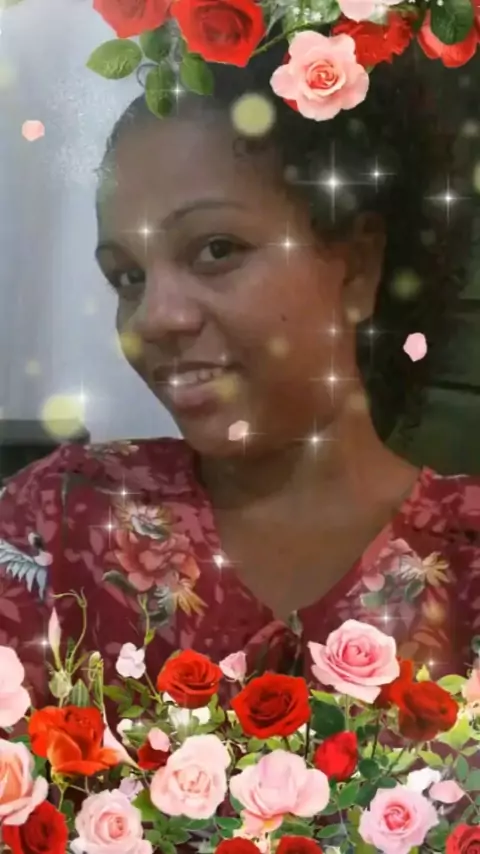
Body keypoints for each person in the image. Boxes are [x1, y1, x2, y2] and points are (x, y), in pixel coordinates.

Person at [1, 41, 480, 707]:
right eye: (128, 276)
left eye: (216, 248)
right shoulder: (56, 523)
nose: (154, 318)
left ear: (357, 268)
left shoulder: (465, 562)